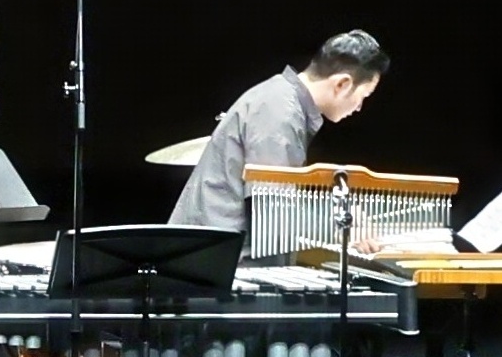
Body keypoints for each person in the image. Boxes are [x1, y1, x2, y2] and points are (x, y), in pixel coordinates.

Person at [165, 31, 385, 233]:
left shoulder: (281, 98)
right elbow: (274, 213)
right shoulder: (279, 110)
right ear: (342, 84)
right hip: (215, 255)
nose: (359, 107)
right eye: (364, 96)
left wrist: (336, 213)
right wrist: (341, 220)